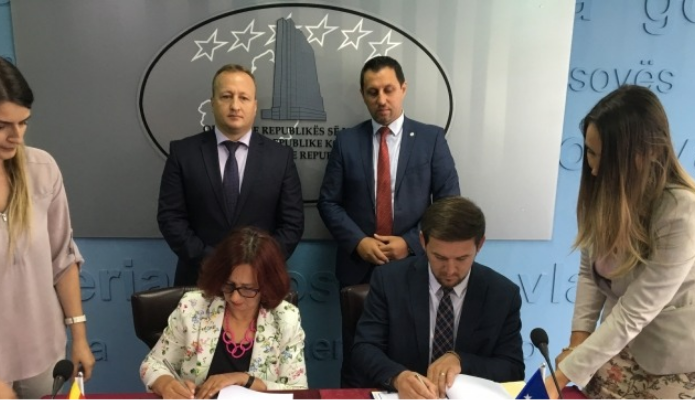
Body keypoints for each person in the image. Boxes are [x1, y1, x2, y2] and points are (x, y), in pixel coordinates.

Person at [318, 55, 460, 386]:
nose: (381, 99)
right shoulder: (346, 141)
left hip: (414, 267)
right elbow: (329, 201)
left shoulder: (431, 139)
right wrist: (358, 241)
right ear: (363, 95)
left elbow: (448, 204)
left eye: (388, 90)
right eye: (373, 92)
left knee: (411, 353)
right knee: (358, 356)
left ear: (403, 89)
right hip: (358, 268)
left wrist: (409, 243)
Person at [549, 85, 695, 399]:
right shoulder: (602, 195)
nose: (593, 168)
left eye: (605, 157)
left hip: (672, 359)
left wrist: (561, 376)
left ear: (649, 152)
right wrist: (577, 344)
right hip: (614, 345)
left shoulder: (681, 211)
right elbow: (590, 274)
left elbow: (635, 311)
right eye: (590, 152)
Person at [352, 196, 524, 399]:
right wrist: (397, 377)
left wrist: (461, 361)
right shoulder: (389, 280)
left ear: (480, 245)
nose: (450, 270)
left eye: (462, 259)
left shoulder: (502, 295)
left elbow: (512, 368)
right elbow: (365, 348)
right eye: (440, 257)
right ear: (423, 242)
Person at [158, 63, 304, 286]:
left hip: (260, 281)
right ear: (212, 102)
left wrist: (255, 266)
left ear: (254, 106)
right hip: (199, 278)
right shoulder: (183, 153)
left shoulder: (280, 157)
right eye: (226, 96)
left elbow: (292, 224)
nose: (235, 105)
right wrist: (212, 262)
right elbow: (170, 218)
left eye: (244, 98)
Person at [0, 57, 95, 398]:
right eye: (2, 125)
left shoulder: (43, 169)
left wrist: (79, 336)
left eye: (23, 122)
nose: (16, 136)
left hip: (43, 353)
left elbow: (62, 259)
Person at [140, 227, 307, 399]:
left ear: (267, 286)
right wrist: (166, 384)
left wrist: (243, 379)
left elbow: (298, 391)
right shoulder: (193, 308)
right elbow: (152, 364)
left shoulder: (286, 319)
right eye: (229, 285)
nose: (235, 297)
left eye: (247, 289)